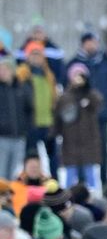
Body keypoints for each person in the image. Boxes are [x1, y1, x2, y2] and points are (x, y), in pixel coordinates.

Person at [68, 32, 107, 183]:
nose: (91, 45)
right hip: (82, 117)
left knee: (103, 149)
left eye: (93, 42)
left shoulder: (106, 62)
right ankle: (82, 183)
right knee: (82, 149)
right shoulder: (74, 63)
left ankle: (104, 180)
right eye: (88, 42)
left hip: (102, 114)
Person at [56, 62, 104, 190]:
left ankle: (93, 195)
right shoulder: (65, 97)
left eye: (81, 76)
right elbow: (58, 118)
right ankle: (68, 196)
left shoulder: (90, 94)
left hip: (88, 141)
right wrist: (54, 133)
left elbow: (98, 103)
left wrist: (87, 89)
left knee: (90, 173)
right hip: (70, 142)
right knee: (70, 174)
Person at [17, 42, 60, 177]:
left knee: (53, 158)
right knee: (31, 158)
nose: (36, 57)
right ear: (27, 57)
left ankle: (54, 182)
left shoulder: (49, 75)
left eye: (39, 54)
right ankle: (30, 182)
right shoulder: (22, 76)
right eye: (33, 54)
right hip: (31, 124)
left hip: (48, 123)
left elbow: (54, 98)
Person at [0, 56, 32, 179]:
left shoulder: (22, 88)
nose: (2, 72)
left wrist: (26, 129)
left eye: (5, 69)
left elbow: (29, 110)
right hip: (2, 138)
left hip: (19, 138)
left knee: (15, 173)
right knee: (2, 172)